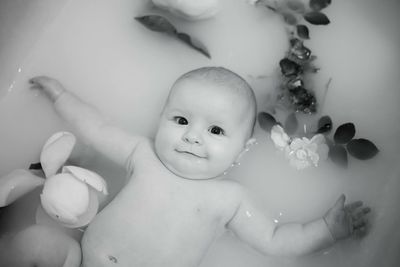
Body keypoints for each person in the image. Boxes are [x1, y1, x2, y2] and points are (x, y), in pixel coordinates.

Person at [19, 67, 369, 266]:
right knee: (35, 243)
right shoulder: (142, 154)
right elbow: (97, 129)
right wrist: (61, 96)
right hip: (80, 259)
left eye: (216, 130)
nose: (192, 137)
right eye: (181, 120)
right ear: (161, 120)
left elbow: (273, 240)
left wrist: (326, 230)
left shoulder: (230, 199)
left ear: (241, 151)